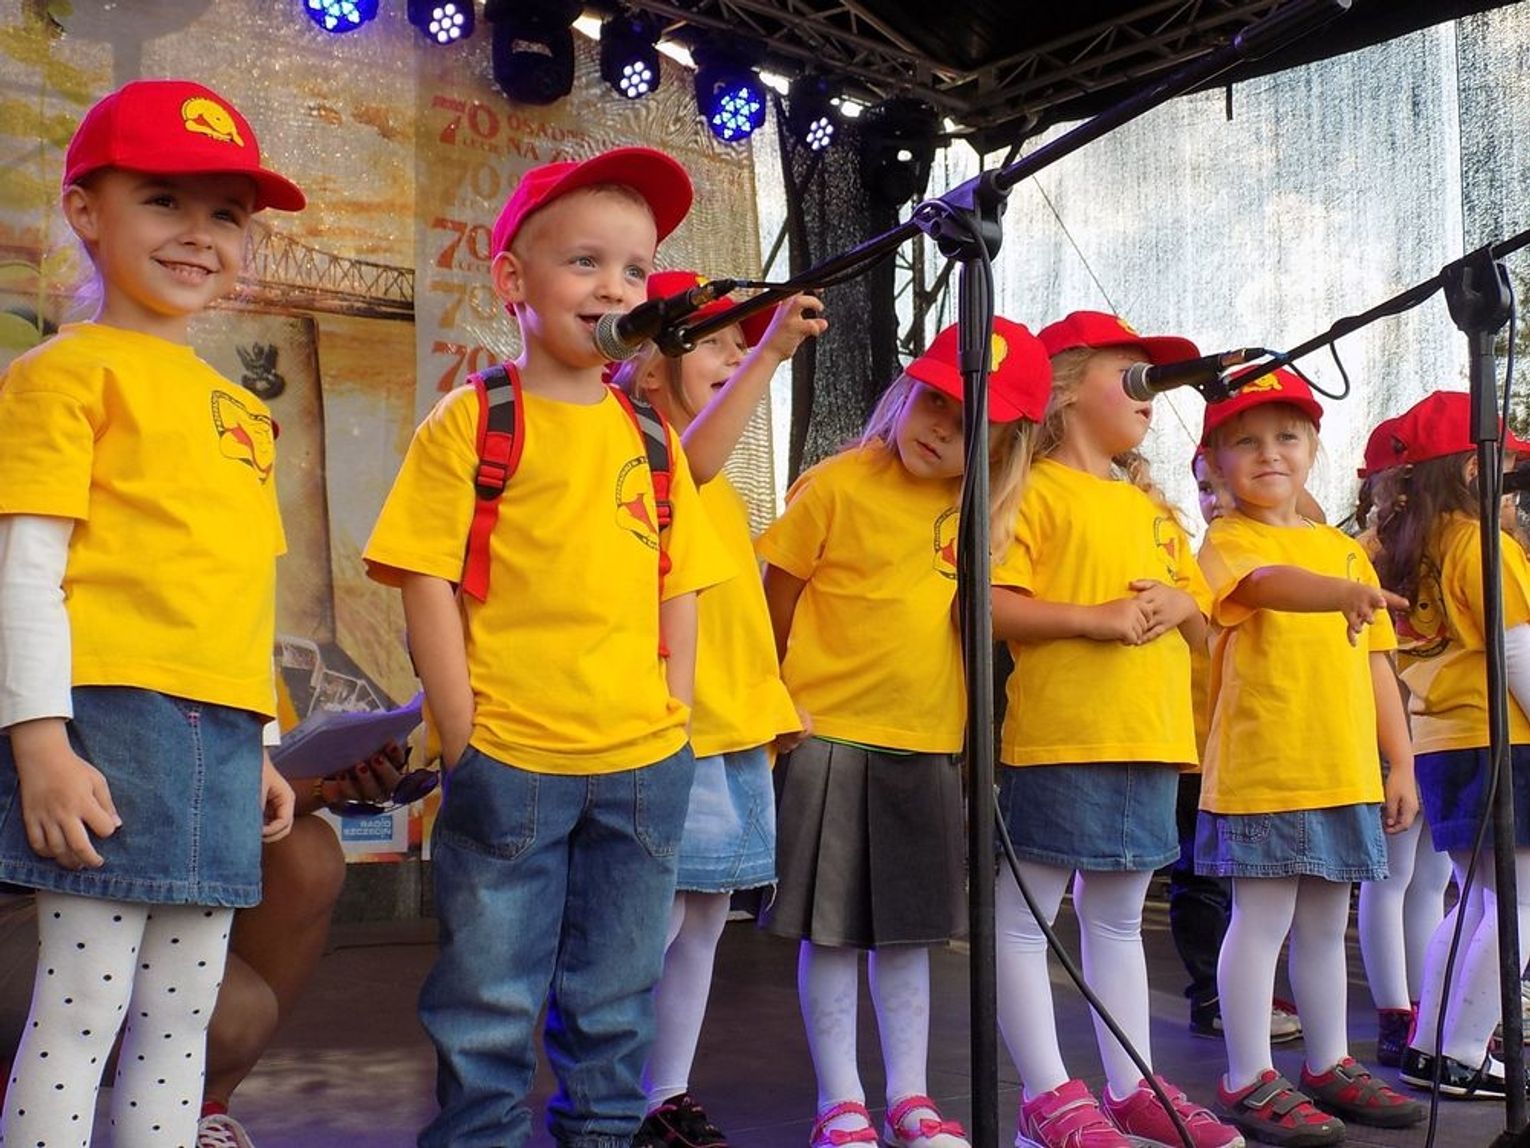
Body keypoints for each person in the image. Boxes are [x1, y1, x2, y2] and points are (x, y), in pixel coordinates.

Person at [363, 148, 732, 1148]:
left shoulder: (650, 436)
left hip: (642, 761)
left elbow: (680, 584)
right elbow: (424, 577)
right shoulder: (475, 419)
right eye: (584, 262)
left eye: (634, 269)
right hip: (513, 757)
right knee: (487, 1000)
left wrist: (678, 721)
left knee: (617, 1001)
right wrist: (464, 731)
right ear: (511, 280)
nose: (614, 287)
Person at [0, 79, 303, 1146]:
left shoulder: (244, 411)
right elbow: (24, 570)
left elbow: (239, 584)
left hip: (220, 730)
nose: (199, 234)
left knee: (182, 1013)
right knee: (81, 1006)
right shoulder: (59, 375)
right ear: (87, 210)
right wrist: (40, 741)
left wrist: (261, 741)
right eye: (164, 199)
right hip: (107, 718)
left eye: (226, 213)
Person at [758, 317, 1049, 1148]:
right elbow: (772, 601)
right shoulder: (837, 485)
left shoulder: (983, 515)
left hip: (927, 744)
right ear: (904, 394)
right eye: (932, 403)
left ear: (1005, 444)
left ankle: (910, 1098)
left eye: (969, 422)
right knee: (833, 933)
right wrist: (774, 703)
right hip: (829, 736)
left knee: (910, 936)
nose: (941, 429)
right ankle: (840, 1100)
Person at [990, 310, 1237, 1148]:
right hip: (1065, 733)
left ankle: (1133, 1089)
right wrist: (1090, 619)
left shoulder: (1150, 507)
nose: (1148, 390)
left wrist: (1181, 602)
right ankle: (1046, 1097)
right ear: (1064, 389)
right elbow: (987, 605)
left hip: (1151, 737)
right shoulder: (1031, 490)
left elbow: (1199, 618)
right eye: (1130, 372)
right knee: (1027, 918)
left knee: (1119, 918)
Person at [611, 271, 826, 1148]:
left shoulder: (722, 490)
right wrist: (772, 353)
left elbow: (735, 619)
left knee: (703, 919)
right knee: (652, 923)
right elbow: (690, 463)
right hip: (675, 733)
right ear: (647, 366)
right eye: (713, 342)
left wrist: (772, 700)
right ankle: (611, 1094)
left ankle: (664, 1091)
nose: (736, 356)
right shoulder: (645, 462)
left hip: (732, 731)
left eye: (743, 343)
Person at [1195, 368, 1423, 1145]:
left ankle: (1328, 1062)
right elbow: (1262, 585)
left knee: (1327, 924)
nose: (1270, 453)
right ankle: (1247, 1073)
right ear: (1214, 463)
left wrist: (1401, 763)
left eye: (1287, 436)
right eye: (1246, 442)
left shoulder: (1344, 553)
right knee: (1261, 921)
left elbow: (1377, 664)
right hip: (1265, 770)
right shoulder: (1228, 539)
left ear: (1313, 448)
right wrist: (1338, 594)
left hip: (1344, 770)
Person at [1366, 391, 1530, 1098]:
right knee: (1518, 906)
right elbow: (1516, 650)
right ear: (1472, 467)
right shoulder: (1483, 544)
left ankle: (1431, 1046)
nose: (1508, 479)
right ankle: (1462, 1051)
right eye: (1504, 465)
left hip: (1441, 742)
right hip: (1503, 741)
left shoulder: (1410, 549)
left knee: (1477, 901)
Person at [1173, 450, 1303, 1046]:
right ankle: (1212, 994)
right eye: (1205, 488)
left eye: (1224, 486)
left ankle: (1243, 993)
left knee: (1247, 884)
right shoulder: (1210, 556)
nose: (1215, 501)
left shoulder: (1273, 547)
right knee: (1201, 875)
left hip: (1244, 746)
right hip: (1198, 743)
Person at [1350, 417, 1453, 1070]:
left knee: (1431, 877)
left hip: (1441, 728)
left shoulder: (1456, 542)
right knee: (1392, 876)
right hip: (1395, 726)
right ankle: (1397, 1011)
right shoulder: (1368, 551)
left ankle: (1426, 1007)